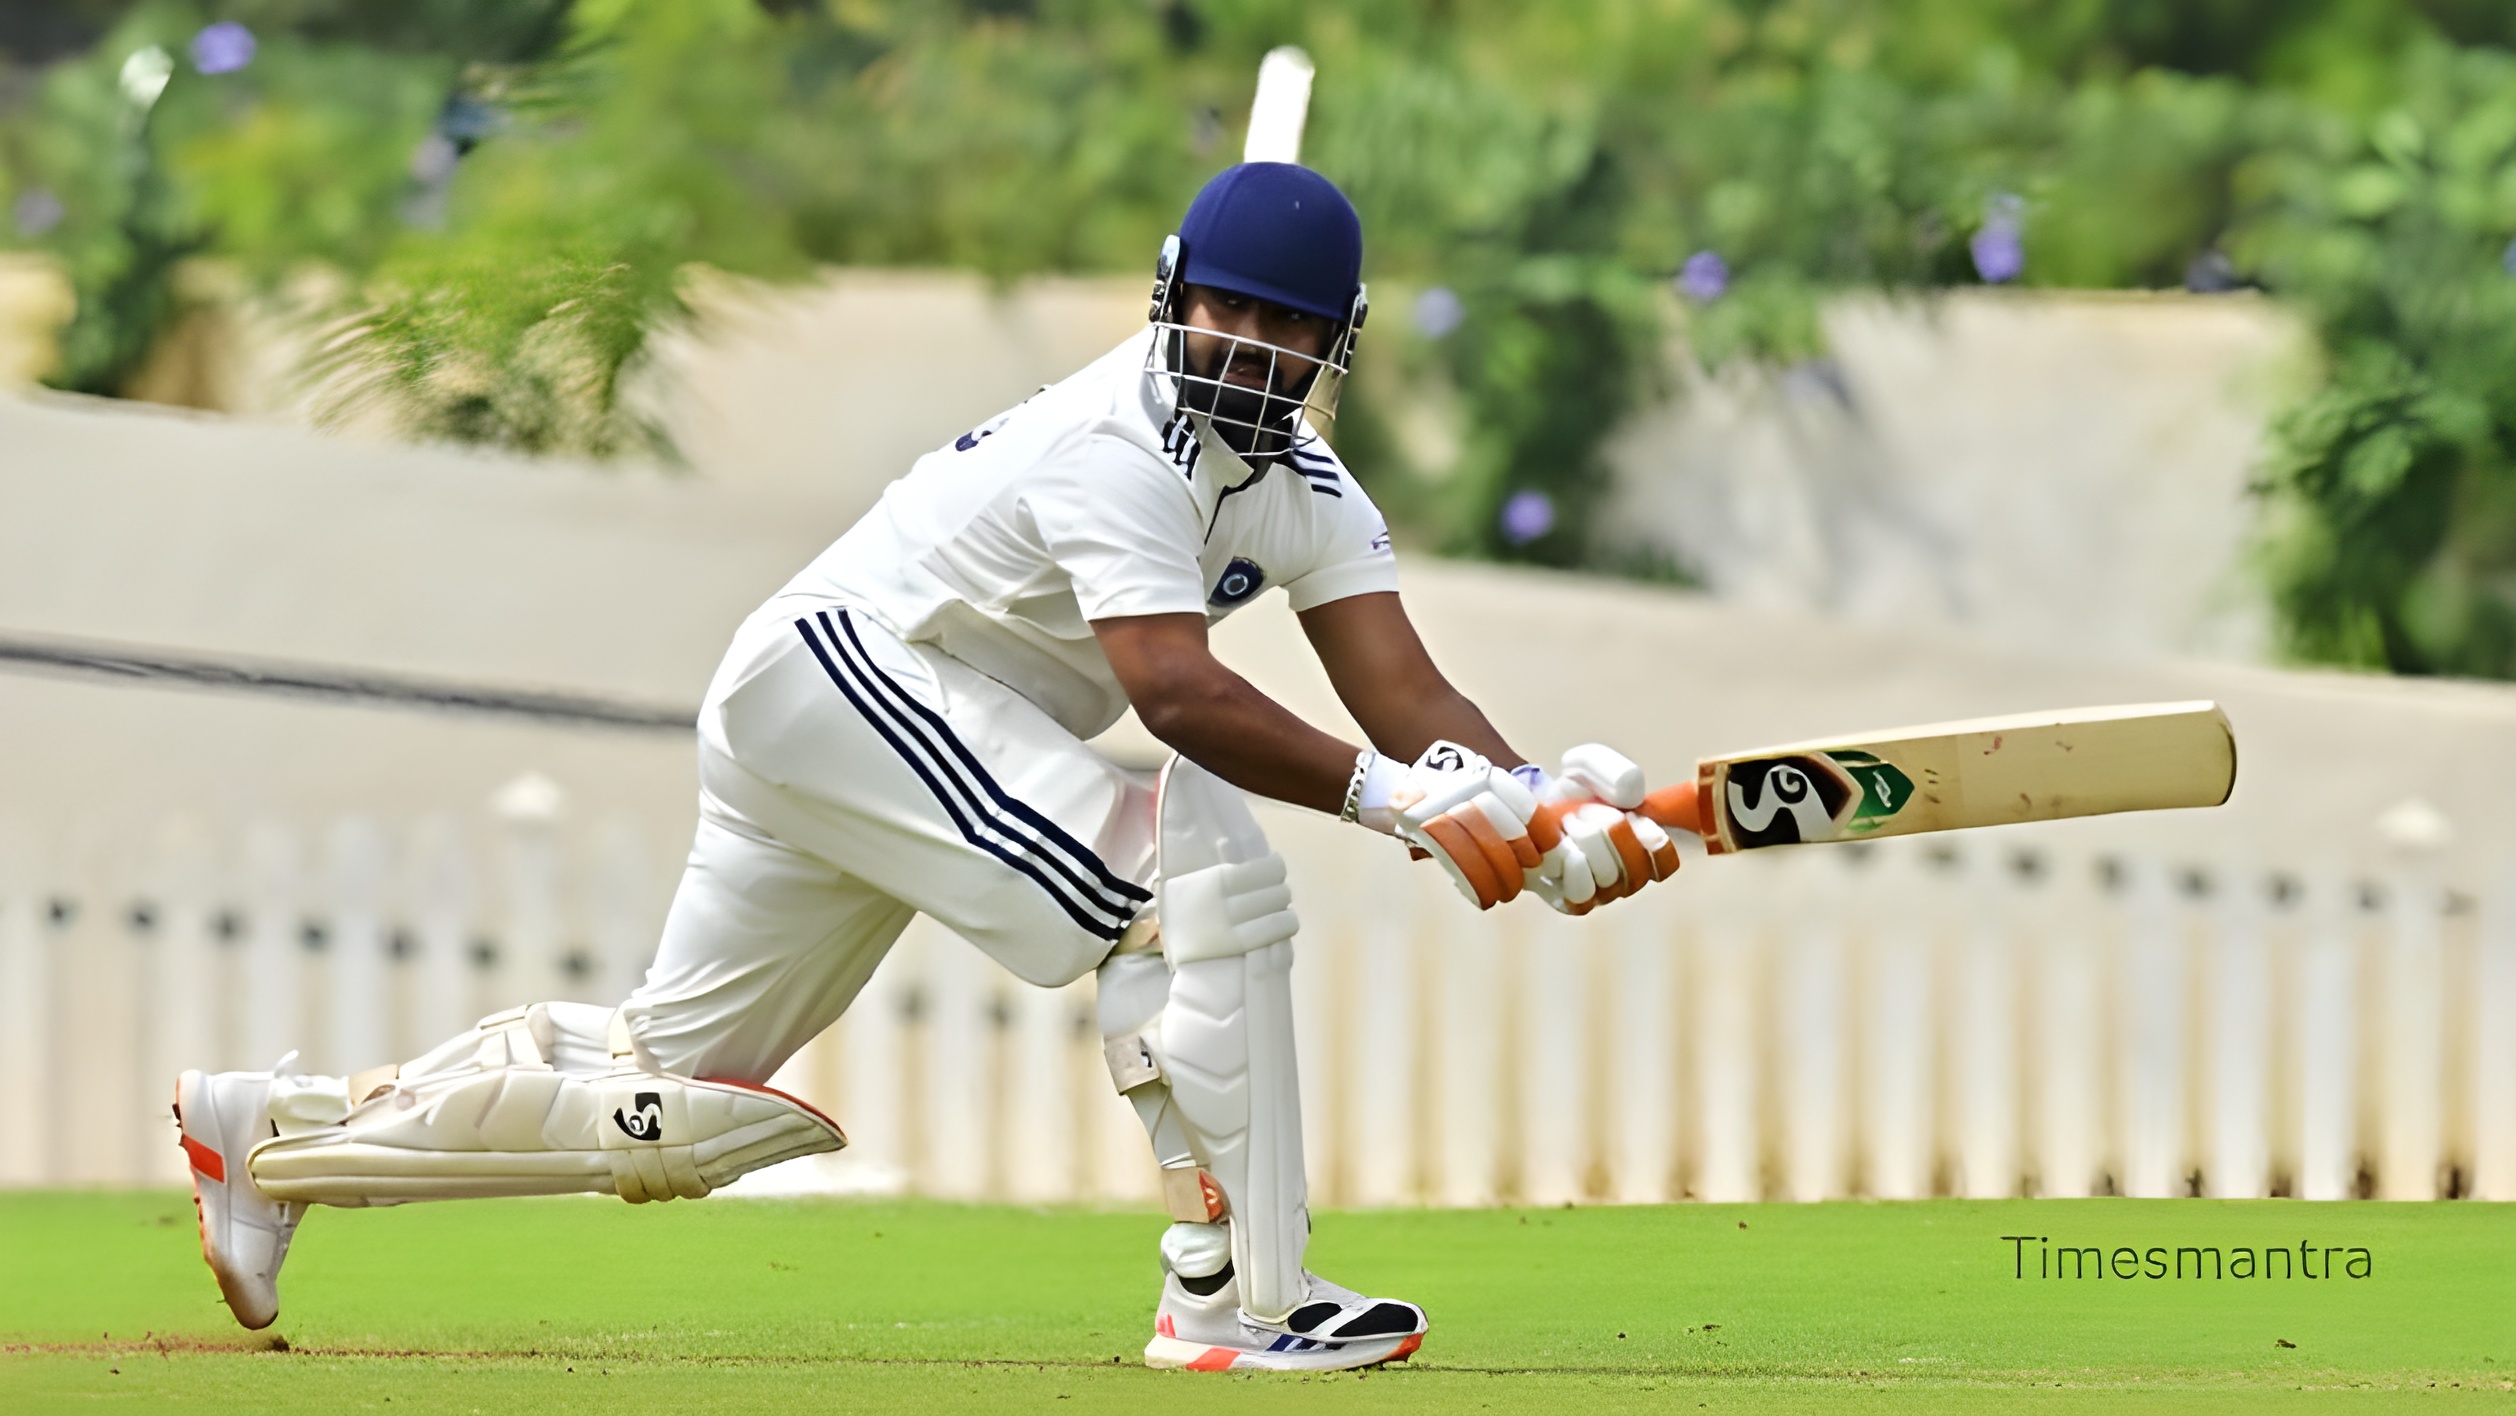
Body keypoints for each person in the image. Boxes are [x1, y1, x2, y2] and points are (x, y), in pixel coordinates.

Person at [172, 161, 1682, 1373]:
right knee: (1183, 873)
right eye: (1230, 310)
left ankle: (273, 1136)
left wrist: (1541, 796)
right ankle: (1235, 1300)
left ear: (1334, 344)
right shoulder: (1117, 446)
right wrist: (1392, 798)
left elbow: (1402, 686)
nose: (1256, 346)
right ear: (1173, 297)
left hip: (857, 710)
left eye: (1292, 328)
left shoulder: (1304, 488)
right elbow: (1171, 692)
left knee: (674, 1102)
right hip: (852, 682)